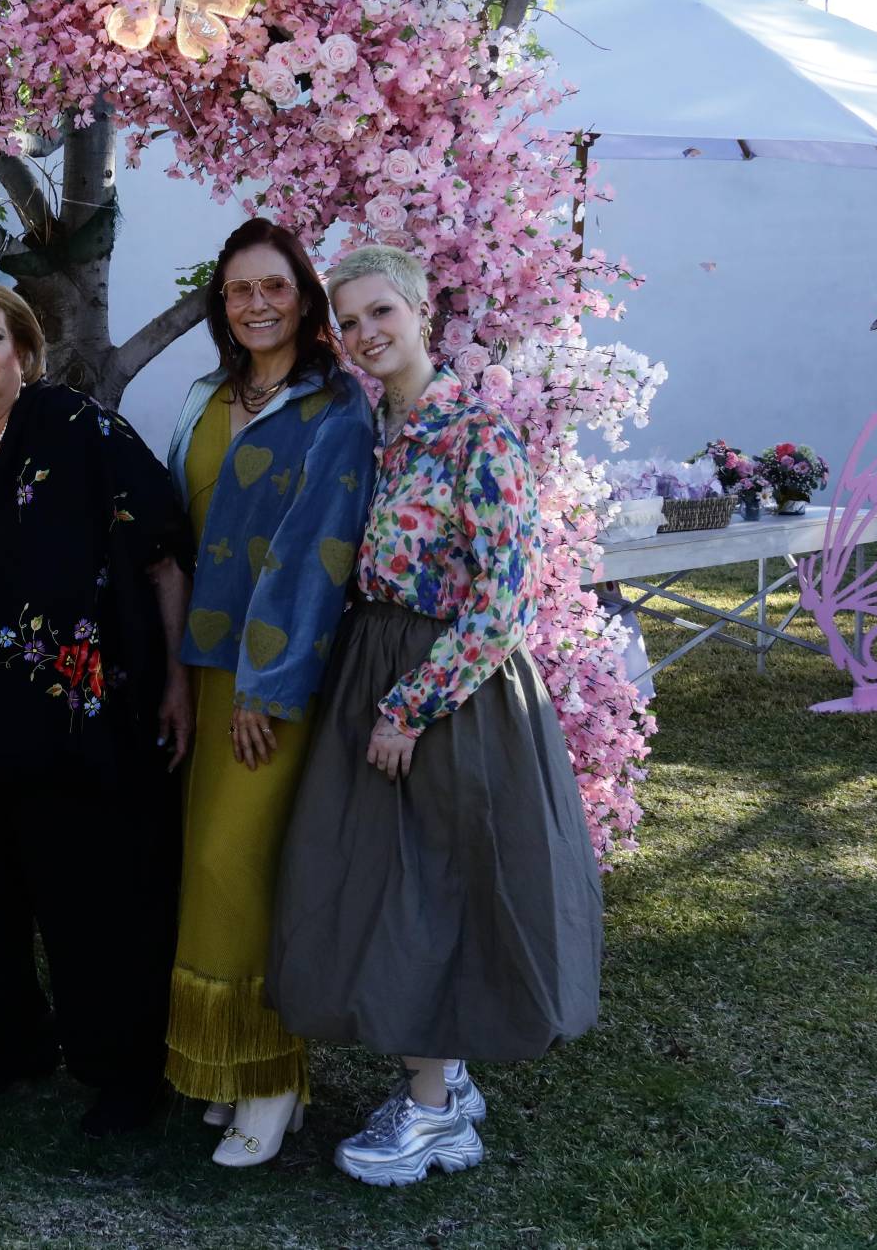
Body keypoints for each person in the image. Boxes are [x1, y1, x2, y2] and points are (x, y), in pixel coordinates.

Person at [268, 245, 604, 1187]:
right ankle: (441, 1084)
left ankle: (431, 1110)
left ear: (423, 312)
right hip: (374, 667)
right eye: (352, 321)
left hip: (447, 690)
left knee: (438, 885)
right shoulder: (375, 428)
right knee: (386, 882)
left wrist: (410, 708)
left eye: (384, 313)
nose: (368, 334)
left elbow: (502, 603)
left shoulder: (476, 436)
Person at [0, 279, 193, 1137]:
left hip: (79, 723)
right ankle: (12, 1046)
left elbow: (164, 555)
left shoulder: (74, 427)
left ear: (23, 353)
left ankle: (125, 1070)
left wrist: (176, 683)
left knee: (93, 900)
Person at [160, 217, 377, 1167]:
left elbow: (315, 560)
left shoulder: (336, 410)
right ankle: (235, 1066)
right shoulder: (207, 397)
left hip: (275, 676)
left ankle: (274, 1072)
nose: (256, 304)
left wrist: (270, 686)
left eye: (274, 288)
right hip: (206, 668)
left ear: (306, 299)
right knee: (202, 865)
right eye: (239, 290)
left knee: (233, 863)